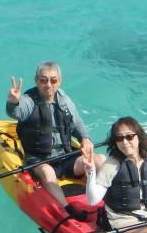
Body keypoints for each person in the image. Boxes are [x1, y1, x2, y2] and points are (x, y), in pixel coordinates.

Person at [6, 61, 105, 221]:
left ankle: (109, 196)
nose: (48, 85)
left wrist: (85, 138)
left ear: (59, 81)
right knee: (48, 172)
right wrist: (13, 101)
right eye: (43, 80)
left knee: (100, 159)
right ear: (36, 80)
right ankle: (68, 210)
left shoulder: (64, 100)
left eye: (53, 80)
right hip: (40, 159)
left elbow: (77, 123)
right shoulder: (28, 101)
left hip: (65, 157)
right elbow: (16, 111)